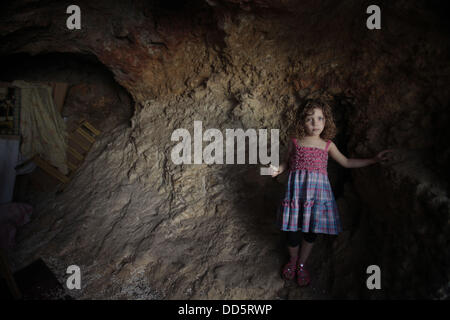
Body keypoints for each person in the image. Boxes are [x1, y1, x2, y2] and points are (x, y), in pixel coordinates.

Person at [270, 100, 392, 287]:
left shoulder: (327, 145)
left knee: (310, 233)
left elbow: (347, 162)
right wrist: (278, 169)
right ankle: (293, 261)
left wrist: (373, 160)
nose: (315, 123)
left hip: (317, 198)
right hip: (297, 194)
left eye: (320, 118)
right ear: (301, 122)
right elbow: (286, 163)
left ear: (326, 121)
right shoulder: (295, 142)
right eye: (310, 119)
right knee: (292, 233)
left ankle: (302, 264)